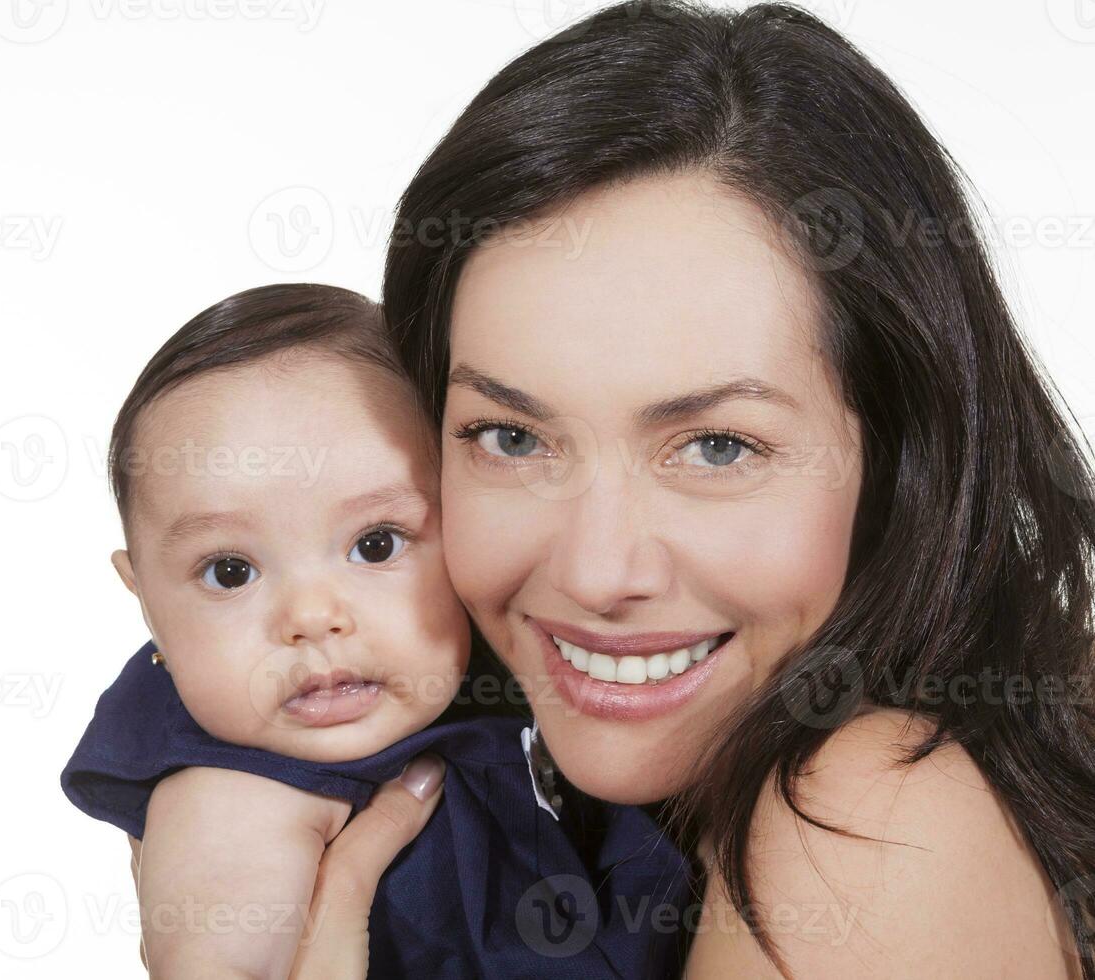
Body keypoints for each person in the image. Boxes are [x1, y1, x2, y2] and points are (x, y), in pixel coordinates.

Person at [195, 3, 1095, 977]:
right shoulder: (496, 771)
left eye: (715, 447)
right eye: (511, 437)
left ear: (897, 458)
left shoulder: (866, 816)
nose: (596, 569)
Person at [62, 282, 693, 978]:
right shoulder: (238, 801)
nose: (310, 619)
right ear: (144, 600)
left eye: (377, 545)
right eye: (231, 571)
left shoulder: (514, 675)